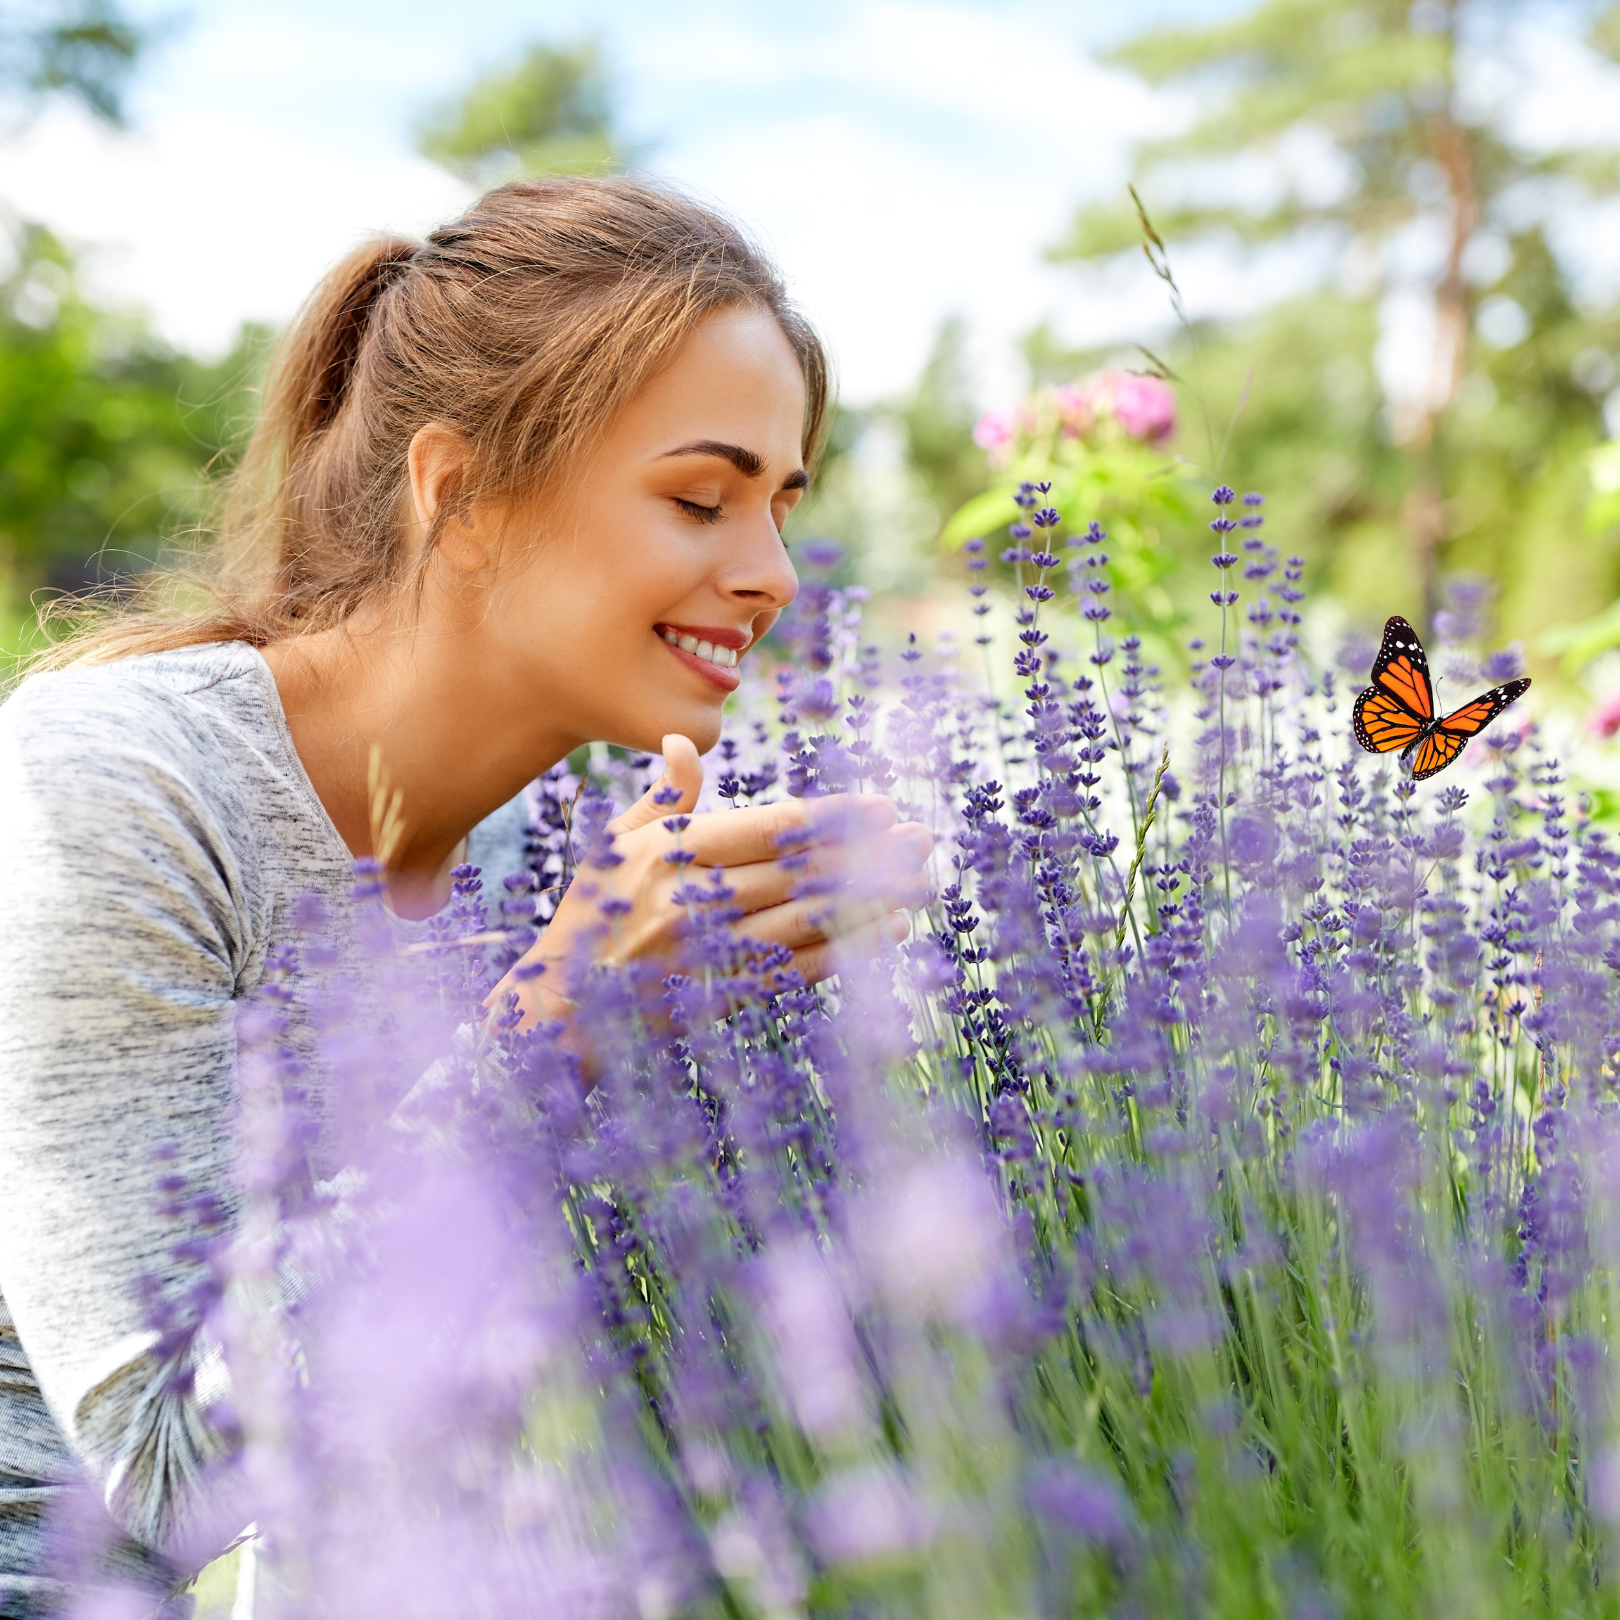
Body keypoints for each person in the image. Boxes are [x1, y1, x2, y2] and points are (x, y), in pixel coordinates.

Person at [0, 176, 931, 1617]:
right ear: (462, 495)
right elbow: (177, 1473)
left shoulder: (552, 858)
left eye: (782, 508)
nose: (771, 577)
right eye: (701, 498)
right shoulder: (113, 790)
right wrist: (555, 1022)